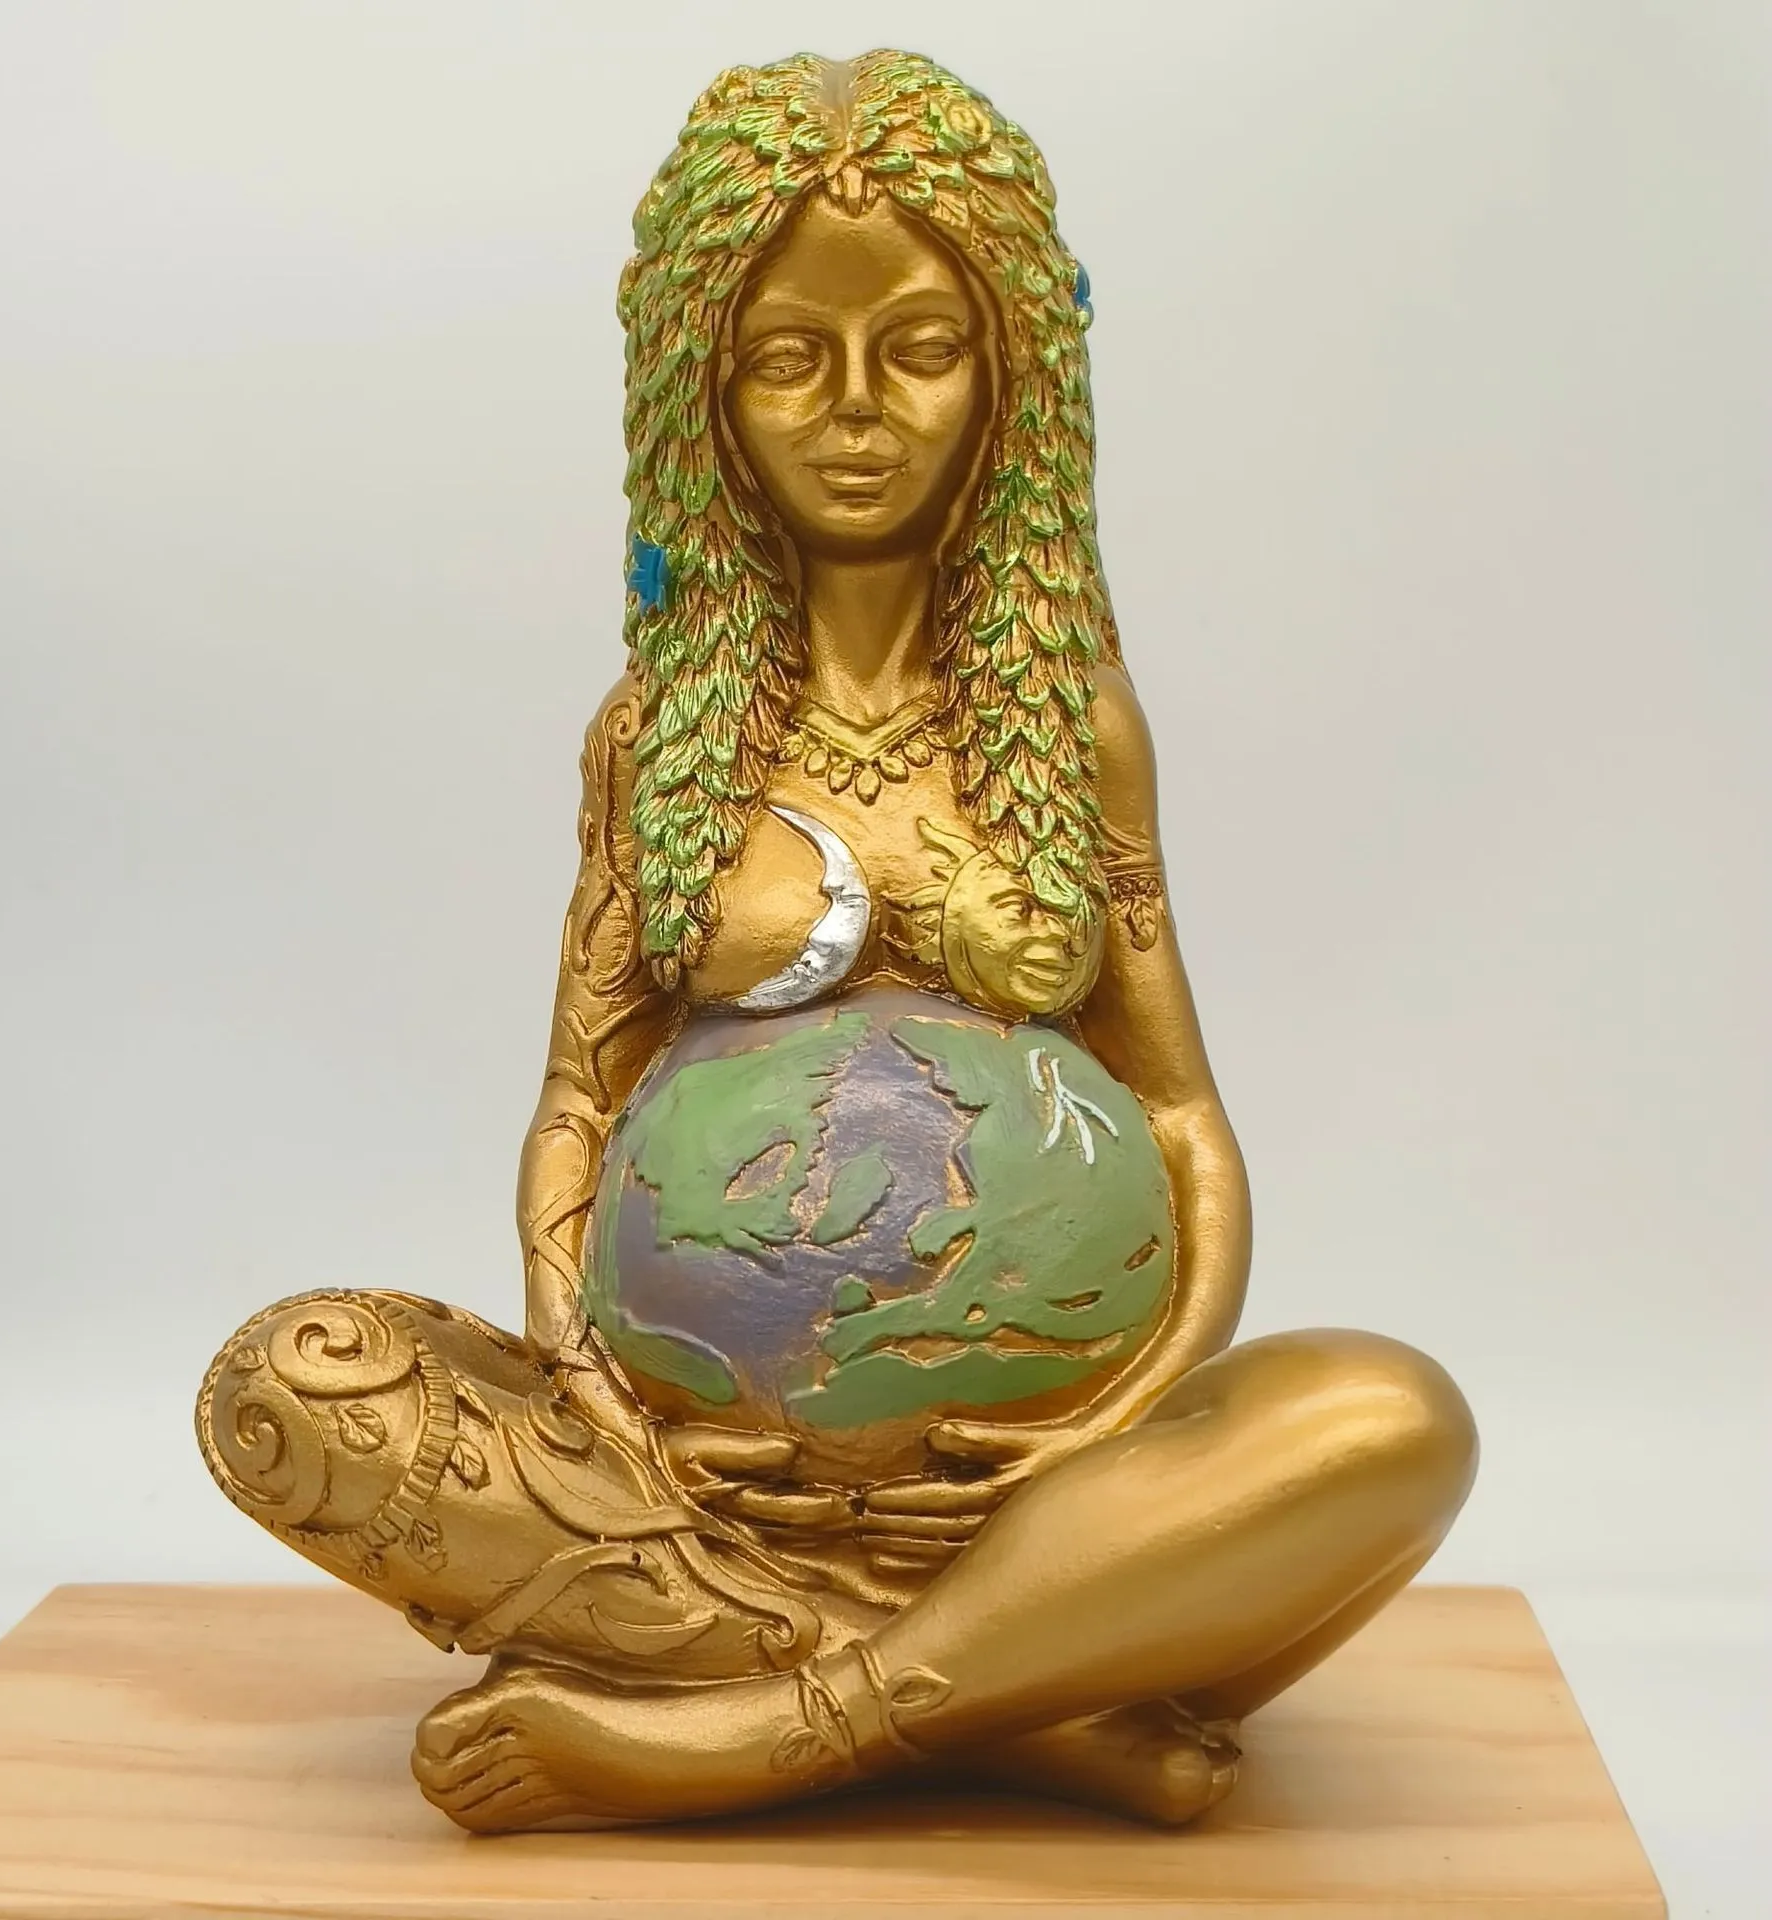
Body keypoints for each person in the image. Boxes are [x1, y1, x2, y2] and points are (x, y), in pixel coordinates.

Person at [198, 49, 1475, 1835]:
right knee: (297, 1380)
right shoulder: (656, 738)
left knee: (1387, 1418)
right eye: (792, 357)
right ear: (703, 393)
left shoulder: (1073, 725)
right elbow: (580, 1101)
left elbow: (1180, 1109)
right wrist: (594, 1388)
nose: (858, 411)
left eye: (921, 349)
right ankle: (1014, 1701)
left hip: (1038, 1499)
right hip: (696, 1493)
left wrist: (1118, 1419)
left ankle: (736, 1726)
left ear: (1012, 375)